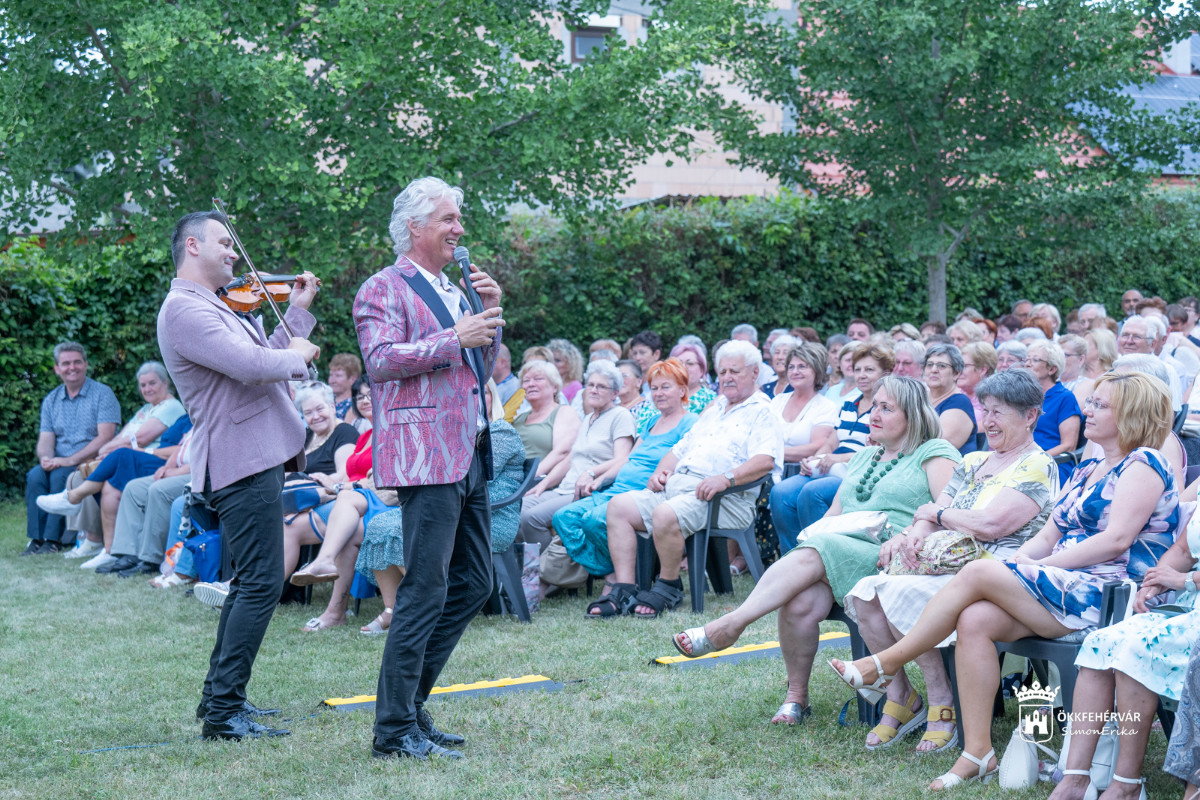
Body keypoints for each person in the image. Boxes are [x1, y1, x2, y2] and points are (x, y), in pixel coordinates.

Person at [830, 372, 1179, 791]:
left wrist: (1040, 566)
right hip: (1064, 585)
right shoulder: (1091, 466)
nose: (1087, 409)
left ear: (1132, 413)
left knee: (978, 569)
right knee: (976, 619)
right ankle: (978, 752)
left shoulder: (1144, 463)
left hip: (1107, 595)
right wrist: (1021, 564)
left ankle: (883, 664)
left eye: (1100, 405)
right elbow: (1049, 533)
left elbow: (1116, 539)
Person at [672, 376, 959, 727]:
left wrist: (908, 533)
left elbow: (950, 511)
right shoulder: (865, 456)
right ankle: (797, 697)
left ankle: (731, 625)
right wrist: (817, 536)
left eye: (887, 408)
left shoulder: (935, 452)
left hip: (892, 554)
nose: (875, 414)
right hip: (842, 549)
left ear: (913, 416)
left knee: (820, 548)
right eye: (874, 406)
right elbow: (834, 516)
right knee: (800, 599)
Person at [354, 176, 503, 761]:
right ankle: (392, 730)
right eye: (447, 219)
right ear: (414, 227)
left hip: (469, 449)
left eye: (458, 218)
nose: (459, 229)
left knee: (474, 582)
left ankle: (410, 705)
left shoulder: (458, 288)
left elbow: (479, 369)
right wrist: (453, 334)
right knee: (423, 589)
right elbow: (380, 361)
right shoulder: (382, 287)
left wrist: (488, 316)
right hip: (424, 456)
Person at [158, 209, 321, 741]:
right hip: (239, 460)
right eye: (225, 243)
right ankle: (224, 712)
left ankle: (221, 703)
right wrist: (298, 357)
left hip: (254, 455)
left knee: (254, 581)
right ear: (192, 246)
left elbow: (259, 359)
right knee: (259, 583)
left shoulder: (215, 304)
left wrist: (295, 316)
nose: (234, 252)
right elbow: (255, 366)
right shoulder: (184, 310)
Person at [845, 370, 1056, 753]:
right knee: (866, 594)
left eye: (999, 413)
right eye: (985, 410)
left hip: (995, 571)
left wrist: (937, 517)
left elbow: (992, 526)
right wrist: (911, 537)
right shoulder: (974, 460)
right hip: (946, 561)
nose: (988, 421)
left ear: (1030, 416)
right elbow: (930, 513)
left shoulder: (1037, 465)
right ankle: (902, 695)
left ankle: (943, 702)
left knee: (904, 592)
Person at [602, 340, 783, 617]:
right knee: (618, 506)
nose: (726, 378)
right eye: (722, 372)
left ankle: (668, 585)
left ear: (755, 372)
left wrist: (725, 478)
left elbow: (765, 461)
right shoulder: (715, 408)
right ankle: (625, 587)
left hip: (724, 498)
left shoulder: (763, 410)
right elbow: (679, 449)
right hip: (680, 489)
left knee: (665, 513)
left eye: (734, 371)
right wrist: (660, 472)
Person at [1051, 517, 1200, 800]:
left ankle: (1127, 784)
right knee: (1100, 644)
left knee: (1137, 648)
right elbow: (1183, 551)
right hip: (1187, 607)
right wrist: (1155, 581)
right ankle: (1076, 779)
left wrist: (1182, 580)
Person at [554, 359, 697, 615]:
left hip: (642, 494)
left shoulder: (690, 422)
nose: (659, 393)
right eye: (654, 388)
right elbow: (629, 459)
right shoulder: (651, 421)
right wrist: (601, 478)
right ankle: (611, 573)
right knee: (564, 517)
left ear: (682, 390)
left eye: (666, 387)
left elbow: (684, 461)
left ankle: (623, 583)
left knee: (592, 520)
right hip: (616, 488)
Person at [37, 361, 187, 569]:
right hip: (136, 457)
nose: (147, 389)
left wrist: (110, 449)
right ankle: (103, 545)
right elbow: (125, 435)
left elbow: (140, 438)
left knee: (119, 456)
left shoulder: (172, 406)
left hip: (150, 459)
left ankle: (72, 498)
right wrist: (107, 449)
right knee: (92, 478)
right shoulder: (146, 409)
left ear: (165, 383)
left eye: (152, 383)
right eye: (143, 385)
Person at [286, 379, 394, 632]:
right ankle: (336, 611)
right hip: (360, 501)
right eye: (360, 397)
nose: (365, 400)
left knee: (333, 510)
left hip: (384, 498)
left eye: (371, 395)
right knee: (349, 527)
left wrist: (342, 487)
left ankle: (324, 565)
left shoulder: (388, 431)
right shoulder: (366, 434)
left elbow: (381, 479)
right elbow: (349, 477)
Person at [771, 342, 892, 551]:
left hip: (859, 472)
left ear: (886, 373)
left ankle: (821, 556)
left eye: (869, 370)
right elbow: (831, 442)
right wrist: (813, 460)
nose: (861, 375)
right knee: (780, 492)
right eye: (858, 370)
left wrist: (841, 458)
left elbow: (885, 450)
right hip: (831, 467)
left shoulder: (889, 407)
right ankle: (791, 557)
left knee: (812, 492)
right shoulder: (849, 404)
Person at [516, 360, 634, 557]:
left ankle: (543, 575)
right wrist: (543, 484)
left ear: (615, 393)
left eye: (601, 386)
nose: (594, 390)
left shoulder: (620, 416)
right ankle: (528, 574)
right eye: (591, 385)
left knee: (530, 518)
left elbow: (622, 459)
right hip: (564, 487)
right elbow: (571, 458)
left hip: (588, 492)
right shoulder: (589, 418)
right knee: (517, 509)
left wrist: (591, 473)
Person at [24, 342, 120, 556]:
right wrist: (46, 458)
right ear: (57, 369)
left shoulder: (103, 394)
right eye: (65, 363)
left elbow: (106, 437)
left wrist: (68, 461)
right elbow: (46, 439)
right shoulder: (51, 400)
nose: (72, 367)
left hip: (91, 461)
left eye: (77, 362)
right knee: (35, 476)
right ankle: (36, 539)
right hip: (59, 460)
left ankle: (54, 540)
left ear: (86, 364)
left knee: (60, 476)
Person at [1026, 341, 1083, 483]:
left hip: (1053, 464)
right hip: (1021, 462)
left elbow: (1069, 445)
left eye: (1035, 360)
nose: (1027, 364)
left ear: (1051, 369)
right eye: (1026, 359)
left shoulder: (1065, 397)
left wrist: (1035, 459)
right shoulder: (1022, 396)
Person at [512, 360, 580, 475]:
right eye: (526, 380)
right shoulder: (518, 417)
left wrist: (529, 478)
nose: (531, 384)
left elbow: (562, 452)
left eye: (538, 379)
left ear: (555, 387)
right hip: (511, 480)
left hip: (539, 481)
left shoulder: (564, 412)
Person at [922, 343, 977, 455]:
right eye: (929, 364)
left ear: (956, 373)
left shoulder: (960, 402)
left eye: (941, 366)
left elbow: (938, 446)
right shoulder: (921, 397)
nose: (934, 370)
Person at [668, 342, 716, 414]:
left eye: (690, 363)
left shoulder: (710, 399)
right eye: (679, 364)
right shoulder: (663, 394)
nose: (683, 367)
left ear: (702, 370)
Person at [959, 341, 996, 424]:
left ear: (983, 370)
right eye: (958, 365)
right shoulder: (954, 394)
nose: (958, 370)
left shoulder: (994, 399)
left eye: (964, 366)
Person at [615, 359, 655, 434]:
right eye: (617, 377)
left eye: (624, 376)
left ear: (639, 381)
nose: (619, 380)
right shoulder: (611, 407)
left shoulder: (648, 409)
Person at [1057, 333, 1094, 411]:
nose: (1058, 359)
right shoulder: (1049, 380)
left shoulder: (1087, 384)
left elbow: (1070, 410)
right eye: (1057, 354)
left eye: (1064, 355)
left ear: (1081, 359)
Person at [326, 352, 363, 422]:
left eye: (338, 376)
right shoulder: (325, 400)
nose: (332, 380)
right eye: (331, 375)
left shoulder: (357, 405)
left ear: (353, 379)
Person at [547, 338, 584, 403]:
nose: (553, 363)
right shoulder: (544, 382)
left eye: (558, 360)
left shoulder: (575, 387)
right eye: (550, 360)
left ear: (570, 364)